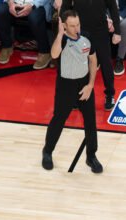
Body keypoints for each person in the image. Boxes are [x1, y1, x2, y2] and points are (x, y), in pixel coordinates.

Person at [42, 11, 104, 174]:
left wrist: (90, 85)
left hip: (84, 84)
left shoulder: (86, 37)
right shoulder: (61, 40)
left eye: (78, 24)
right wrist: (59, 34)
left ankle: (91, 156)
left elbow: (93, 60)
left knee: (90, 121)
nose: (77, 28)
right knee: (59, 119)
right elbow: (54, 54)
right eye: (72, 26)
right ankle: (47, 152)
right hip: (66, 85)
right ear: (64, 26)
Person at [57, 0, 122, 110]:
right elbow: (65, 7)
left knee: (105, 63)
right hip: (80, 31)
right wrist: (63, 28)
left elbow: (113, 8)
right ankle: (79, 94)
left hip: (100, 31)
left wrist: (117, 32)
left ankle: (110, 94)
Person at [0, 0, 54, 69]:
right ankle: (7, 46)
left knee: (34, 17)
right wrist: (10, 3)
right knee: (0, 11)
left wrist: (32, 5)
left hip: (37, 4)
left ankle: (44, 52)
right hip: (16, 3)